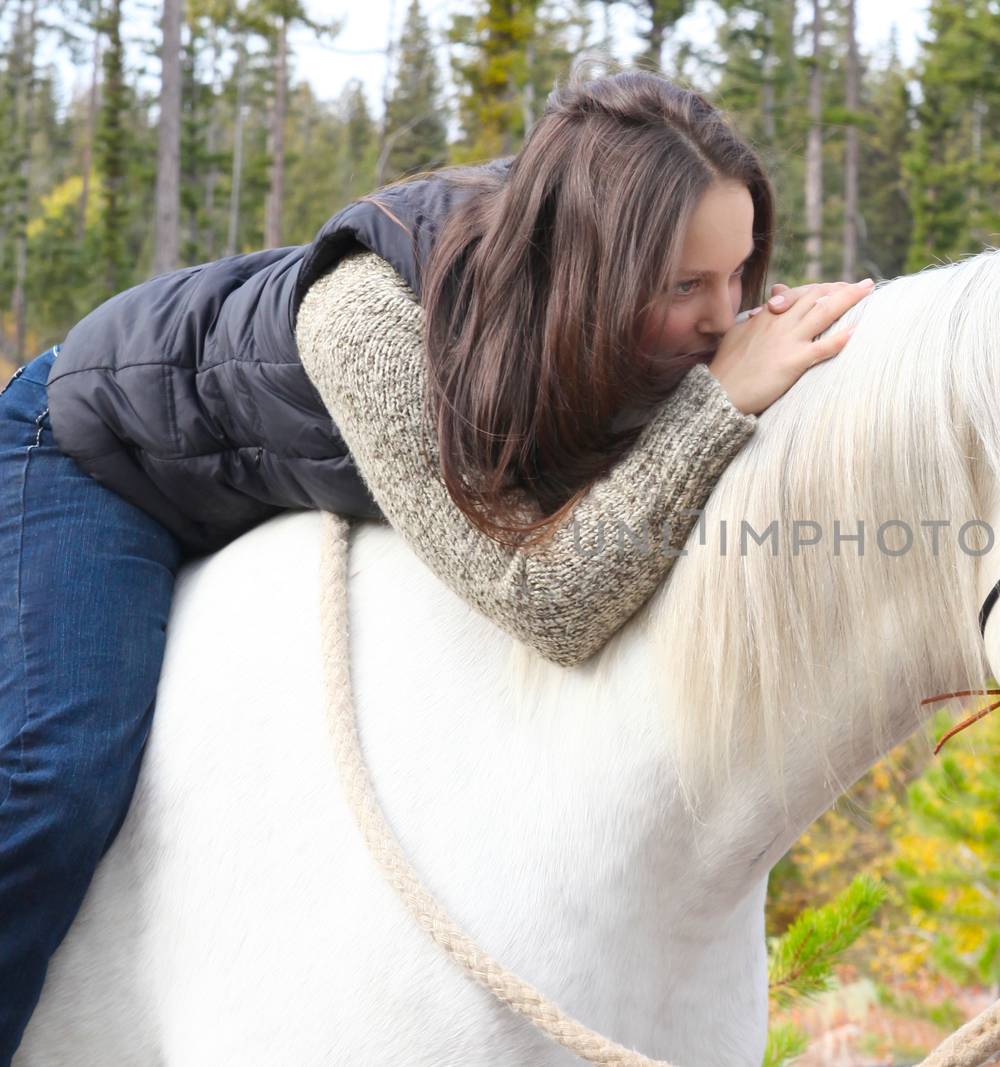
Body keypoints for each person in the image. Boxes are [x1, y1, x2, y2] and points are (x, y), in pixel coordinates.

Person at [0, 66, 872, 1058]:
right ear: (590, 267)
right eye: (685, 285)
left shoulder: (634, 297)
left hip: (246, 468)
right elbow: (545, 597)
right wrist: (719, 403)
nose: (726, 319)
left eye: (740, 273)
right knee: (50, 775)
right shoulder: (374, 313)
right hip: (87, 446)